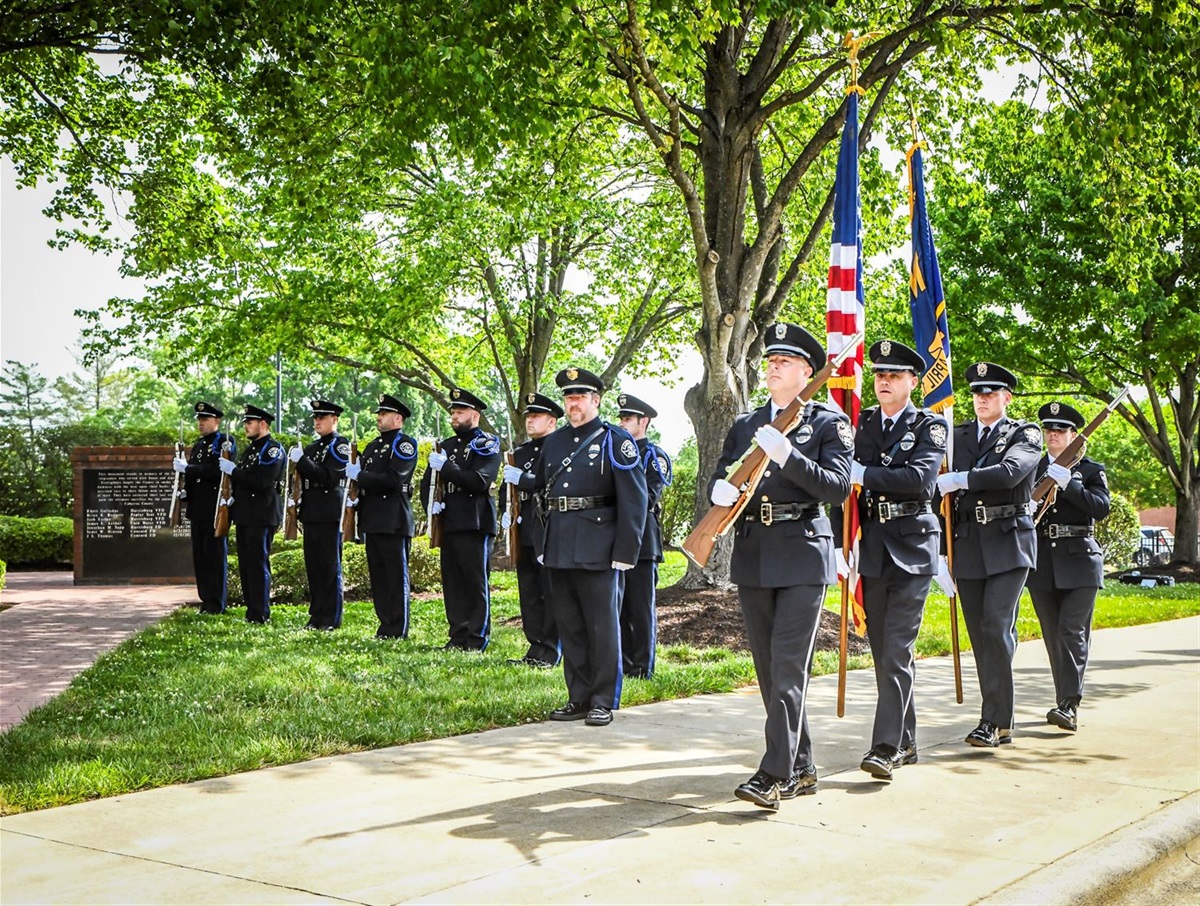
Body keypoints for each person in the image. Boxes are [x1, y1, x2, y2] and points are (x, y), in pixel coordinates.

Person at [708, 323, 851, 809]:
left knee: (789, 668)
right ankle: (803, 763)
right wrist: (716, 490)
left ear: (807, 372)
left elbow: (837, 487)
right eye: (770, 361)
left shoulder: (829, 424)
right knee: (770, 672)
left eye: (784, 362)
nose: (772, 367)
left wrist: (788, 455)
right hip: (754, 554)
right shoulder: (747, 425)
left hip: (803, 552)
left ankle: (775, 773)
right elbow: (722, 469)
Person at [837, 341, 945, 781]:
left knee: (897, 649)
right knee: (884, 653)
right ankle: (907, 740)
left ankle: (884, 747)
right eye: (879, 374)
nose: (884, 381)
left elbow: (919, 478)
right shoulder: (859, 424)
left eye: (895, 375)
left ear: (912, 381)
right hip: (874, 548)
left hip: (913, 547)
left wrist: (863, 474)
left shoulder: (929, 426)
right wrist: (837, 542)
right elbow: (840, 488)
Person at [528, 367, 648, 727]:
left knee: (601, 625)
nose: (573, 403)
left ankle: (602, 698)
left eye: (579, 397)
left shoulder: (615, 440)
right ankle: (578, 696)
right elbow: (541, 498)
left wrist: (627, 552)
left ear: (596, 401)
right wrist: (541, 544)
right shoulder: (554, 442)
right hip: (561, 543)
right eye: (568, 397)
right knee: (570, 625)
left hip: (600, 544)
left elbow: (634, 499)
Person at [936, 362, 1041, 748]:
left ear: (1006, 398)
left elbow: (1010, 473)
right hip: (967, 544)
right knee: (982, 635)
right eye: (978, 393)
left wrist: (961, 479)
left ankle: (994, 721)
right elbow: (937, 490)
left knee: (996, 627)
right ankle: (999, 716)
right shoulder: (956, 435)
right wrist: (940, 551)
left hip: (1009, 540)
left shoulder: (1024, 433)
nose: (983, 399)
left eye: (991, 393)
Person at [1026, 401, 1110, 732]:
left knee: (1072, 632)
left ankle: (1069, 703)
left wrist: (1070, 484)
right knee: (1052, 635)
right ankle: (1064, 698)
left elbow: (1101, 508)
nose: (1052, 435)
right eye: (1048, 429)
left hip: (1080, 561)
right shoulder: (1032, 469)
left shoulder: (1089, 469)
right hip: (1043, 561)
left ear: (1074, 435)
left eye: (1060, 430)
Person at [420, 387, 501, 651]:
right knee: (453, 583)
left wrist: (447, 467)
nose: (454, 416)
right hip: (450, 520)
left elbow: (479, 481)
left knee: (475, 583)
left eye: (460, 411)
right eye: (453, 412)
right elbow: (427, 484)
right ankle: (458, 635)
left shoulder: (486, 444)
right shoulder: (446, 446)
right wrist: (432, 508)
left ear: (474, 415)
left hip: (475, 521)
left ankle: (477, 638)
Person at [347, 394, 419, 639]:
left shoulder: (404, 444)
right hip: (373, 517)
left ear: (398, 418)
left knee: (395, 576)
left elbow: (394, 479)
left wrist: (360, 477)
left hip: (393, 517)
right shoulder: (373, 446)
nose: (378, 417)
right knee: (378, 576)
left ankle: (398, 628)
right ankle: (385, 625)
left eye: (384, 414)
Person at [500, 391, 564, 667]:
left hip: (547, 526)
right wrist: (505, 511)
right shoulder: (522, 452)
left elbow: (553, 483)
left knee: (550, 591)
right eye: (529, 416)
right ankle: (535, 646)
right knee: (528, 590)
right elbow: (507, 487)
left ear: (552, 421)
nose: (530, 421)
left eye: (536, 416)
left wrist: (524, 480)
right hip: (524, 525)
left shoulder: (560, 448)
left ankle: (551, 649)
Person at [615, 393, 672, 679]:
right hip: (614, 540)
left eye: (628, 419)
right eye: (621, 419)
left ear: (644, 421)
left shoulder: (653, 456)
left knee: (640, 607)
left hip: (643, 541)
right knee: (619, 607)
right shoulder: (612, 453)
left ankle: (642, 666)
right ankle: (624, 662)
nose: (623, 424)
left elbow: (648, 497)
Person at [290, 399, 349, 630]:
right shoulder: (313, 447)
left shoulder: (340, 445)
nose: (317, 421)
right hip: (312, 511)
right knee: (314, 568)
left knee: (329, 567)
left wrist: (302, 462)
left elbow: (330, 477)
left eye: (322, 417)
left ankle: (331, 618)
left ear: (334, 420)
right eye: (315, 417)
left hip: (330, 512)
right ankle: (316, 616)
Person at [223, 404, 285, 624]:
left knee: (258, 565)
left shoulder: (271, 449)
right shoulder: (251, 449)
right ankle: (251, 611)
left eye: (249, 423)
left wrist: (234, 471)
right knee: (247, 565)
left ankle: (260, 612)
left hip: (262, 515)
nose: (246, 427)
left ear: (263, 424)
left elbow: (262, 482)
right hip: (246, 514)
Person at [173, 401, 236, 614]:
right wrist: (185, 493)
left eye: (205, 419)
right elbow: (194, 477)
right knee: (200, 556)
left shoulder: (224, 442)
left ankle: (217, 602)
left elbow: (216, 472)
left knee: (214, 556)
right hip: (198, 509)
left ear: (216, 421)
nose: (201, 423)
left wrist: (189, 469)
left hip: (214, 509)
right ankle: (206, 599)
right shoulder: (200, 445)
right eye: (199, 420)